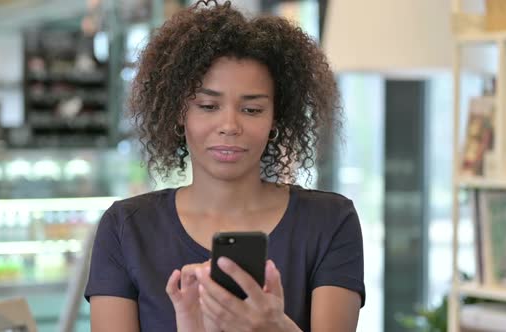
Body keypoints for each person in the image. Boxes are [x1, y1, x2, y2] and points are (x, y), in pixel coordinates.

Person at [84, 1, 365, 331]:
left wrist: (277, 327)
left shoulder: (330, 222)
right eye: (208, 105)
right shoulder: (126, 229)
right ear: (178, 112)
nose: (229, 125)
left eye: (252, 110)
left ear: (276, 117)